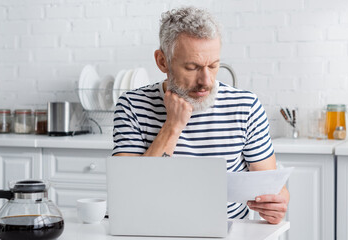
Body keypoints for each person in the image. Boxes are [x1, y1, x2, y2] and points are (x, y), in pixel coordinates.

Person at [112, 6, 289, 224]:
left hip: (227, 232)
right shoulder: (132, 106)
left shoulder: (246, 107)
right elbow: (128, 194)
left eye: (213, 66)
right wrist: (172, 126)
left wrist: (277, 204)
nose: (206, 80)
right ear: (162, 61)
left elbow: (273, 188)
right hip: (154, 228)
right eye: (192, 67)